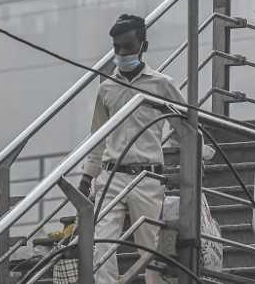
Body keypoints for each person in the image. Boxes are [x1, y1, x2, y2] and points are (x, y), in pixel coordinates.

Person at [79, 15, 186, 284]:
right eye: (117, 47)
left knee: (151, 250)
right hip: (111, 176)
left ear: (143, 46)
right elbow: (98, 137)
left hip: (147, 178)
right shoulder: (106, 88)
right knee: (102, 245)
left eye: (128, 46)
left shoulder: (161, 85)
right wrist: (86, 177)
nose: (122, 53)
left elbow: (186, 128)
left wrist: (196, 160)